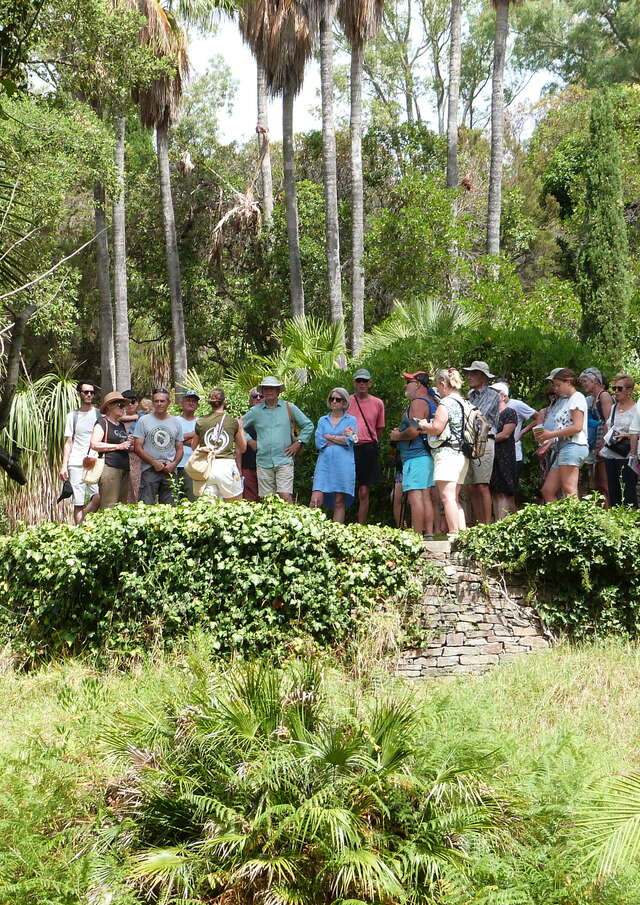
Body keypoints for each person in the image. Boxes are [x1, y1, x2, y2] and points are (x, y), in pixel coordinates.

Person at [242, 376, 313, 502]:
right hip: (263, 461)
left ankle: (290, 522)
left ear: (278, 391)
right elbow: (238, 425)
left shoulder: (289, 407)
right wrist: (250, 440)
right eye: (266, 388)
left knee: (285, 496)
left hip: (284, 459)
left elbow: (308, 425)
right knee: (268, 500)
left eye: (272, 388)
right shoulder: (255, 411)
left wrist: (299, 443)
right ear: (262, 391)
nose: (269, 391)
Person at [419, 368, 468, 538]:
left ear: (442, 383)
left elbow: (437, 428)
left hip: (447, 454)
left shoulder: (446, 403)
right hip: (462, 454)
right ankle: (463, 536)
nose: (438, 391)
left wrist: (424, 425)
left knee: (447, 497)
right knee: (454, 498)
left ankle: (454, 535)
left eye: (438, 387)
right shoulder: (464, 402)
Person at [389, 371, 435, 539]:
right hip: (426, 456)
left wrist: (397, 436)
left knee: (415, 495)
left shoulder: (417, 402)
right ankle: (428, 533)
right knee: (425, 495)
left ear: (418, 384)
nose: (405, 385)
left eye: (408, 381)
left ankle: (417, 536)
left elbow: (414, 430)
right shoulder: (431, 401)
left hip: (416, 457)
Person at [538, 368, 589, 501]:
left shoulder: (577, 398)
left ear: (568, 382)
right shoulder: (567, 400)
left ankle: (577, 521)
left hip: (573, 446)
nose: (555, 388)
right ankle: (559, 520)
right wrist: (550, 441)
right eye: (554, 385)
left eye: (558, 385)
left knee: (569, 490)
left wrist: (551, 434)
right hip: (562, 447)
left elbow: (577, 427)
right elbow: (565, 427)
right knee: (547, 490)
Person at [310, 387, 358, 523]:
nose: (334, 402)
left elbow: (351, 440)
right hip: (324, 464)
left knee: (339, 501)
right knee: (315, 499)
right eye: (332, 399)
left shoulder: (351, 420)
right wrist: (339, 438)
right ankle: (311, 534)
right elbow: (319, 442)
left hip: (343, 464)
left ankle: (336, 536)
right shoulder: (322, 420)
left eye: (338, 399)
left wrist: (329, 437)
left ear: (344, 402)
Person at [461, 361, 499, 524]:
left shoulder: (492, 394)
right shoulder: (470, 395)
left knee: (482, 484)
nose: (469, 377)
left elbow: (477, 417)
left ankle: (487, 525)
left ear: (483, 377)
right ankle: (478, 524)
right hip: (470, 441)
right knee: (470, 486)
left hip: (484, 440)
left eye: (473, 374)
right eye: (469, 373)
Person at [191, 388, 246, 501]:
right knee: (235, 503)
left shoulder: (201, 421)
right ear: (224, 402)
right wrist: (240, 428)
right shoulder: (232, 422)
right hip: (226, 466)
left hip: (207, 467)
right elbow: (243, 448)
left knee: (209, 508)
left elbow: (193, 446)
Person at [133, 388, 184, 505]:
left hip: (169, 469)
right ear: (153, 402)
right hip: (149, 469)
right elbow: (137, 447)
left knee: (169, 508)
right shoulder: (143, 421)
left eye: (162, 401)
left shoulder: (176, 422)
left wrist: (174, 464)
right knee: (146, 506)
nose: (159, 404)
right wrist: (153, 462)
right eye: (156, 401)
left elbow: (179, 447)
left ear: (168, 402)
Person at [347, 369, 385, 524]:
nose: (362, 384)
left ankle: (360, 526)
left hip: (367, 447)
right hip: (348, 448)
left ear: (370, 383)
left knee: (363, 491)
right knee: (344, 488)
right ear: (354, 383)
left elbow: (379, 428)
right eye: (359, 381)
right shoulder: (347, 401)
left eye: (365, 381)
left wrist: (370, 441)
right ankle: (341, 523)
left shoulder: (377, 403)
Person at [59, 380, 100, 524]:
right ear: (79, 394)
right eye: (86, 392)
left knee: (97, 498)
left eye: (92, 392)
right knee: (78, 502)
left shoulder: (99, 414)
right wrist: (64, 465)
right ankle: (79, 532)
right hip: (76, 462)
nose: (89, 395)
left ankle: (82, 523)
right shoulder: (72, 416)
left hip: (95, 462)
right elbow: (68, 442)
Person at [598, 374, 637, 507]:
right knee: (613, 490)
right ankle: (616, 522)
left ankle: (631, 524)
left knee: (628, 492)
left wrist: (626, 436)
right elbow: (608, 426)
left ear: (629, 390)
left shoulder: (636, 409)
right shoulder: (614, 408)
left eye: (619, 388)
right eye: (615, 388)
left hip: (628, 455)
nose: (616, 392)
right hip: (611, 453)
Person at [89, 391, 132, 508]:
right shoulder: (102, 422)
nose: (124, 409)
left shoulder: (121, 425)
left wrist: (127, 441)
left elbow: (122, 444)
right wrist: (118, 446)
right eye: (120, 405)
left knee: (121, 505)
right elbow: (94, 444)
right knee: (109, 505)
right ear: (109, 406)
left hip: (124, 468)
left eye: (125, 405)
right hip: (110, 467)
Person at [580, 367, 613, 505]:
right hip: (595, 444)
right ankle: (601, 511)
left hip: (604, 444)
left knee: (605, 482)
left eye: (585, 381)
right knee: (597, 482)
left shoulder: (604, 396)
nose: (583, 384)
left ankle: (610, 511)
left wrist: (604, 445)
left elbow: (609, 421)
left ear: (596, 381)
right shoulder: (591, 399)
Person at [495, 380, 535, 487]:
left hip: (513, 453)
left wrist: (523, 431)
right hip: (497, 453)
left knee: (508, 490)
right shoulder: (493, 409)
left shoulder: (516, 405)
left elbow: (538, 417)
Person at [489, 382, 518, 520]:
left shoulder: (510, 412)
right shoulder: (489, 414)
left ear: (502, 396)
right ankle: (498, 522)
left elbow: (505, 434)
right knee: (494, 491)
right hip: (491, 455)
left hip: (505, 456)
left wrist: (486, 440)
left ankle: (502, 524)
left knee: (503, 492)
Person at [176, 389, 199, 501]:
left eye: (194, 401)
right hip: (176, 465)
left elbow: (201, 443)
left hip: (194, 466)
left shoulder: (200, 422)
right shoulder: (174, 421)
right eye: (188, 400)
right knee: (175, 499)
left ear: (197, 405)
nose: (191, 403)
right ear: (182, 403)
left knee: (192, 500)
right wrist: (194, 434)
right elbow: (172, 441)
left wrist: (180, 439)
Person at [239, 387, 262, 502]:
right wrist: (238, 470)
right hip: (247, 466)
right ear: (250, 400)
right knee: (249, 501)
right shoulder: (243, 420)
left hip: (266, 466)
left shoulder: (271, 417)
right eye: (254, 396)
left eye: (261, 396)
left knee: (268, 500)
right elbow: (238, 448)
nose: (258, 398)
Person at [121, 389, 141, 502]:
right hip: (119, 460)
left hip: (138, 460)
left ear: (137, 403)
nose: (130, 405)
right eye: (126, 402)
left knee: (137, 491)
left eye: (132, 401)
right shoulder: (114, 420)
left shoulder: (143, 419)